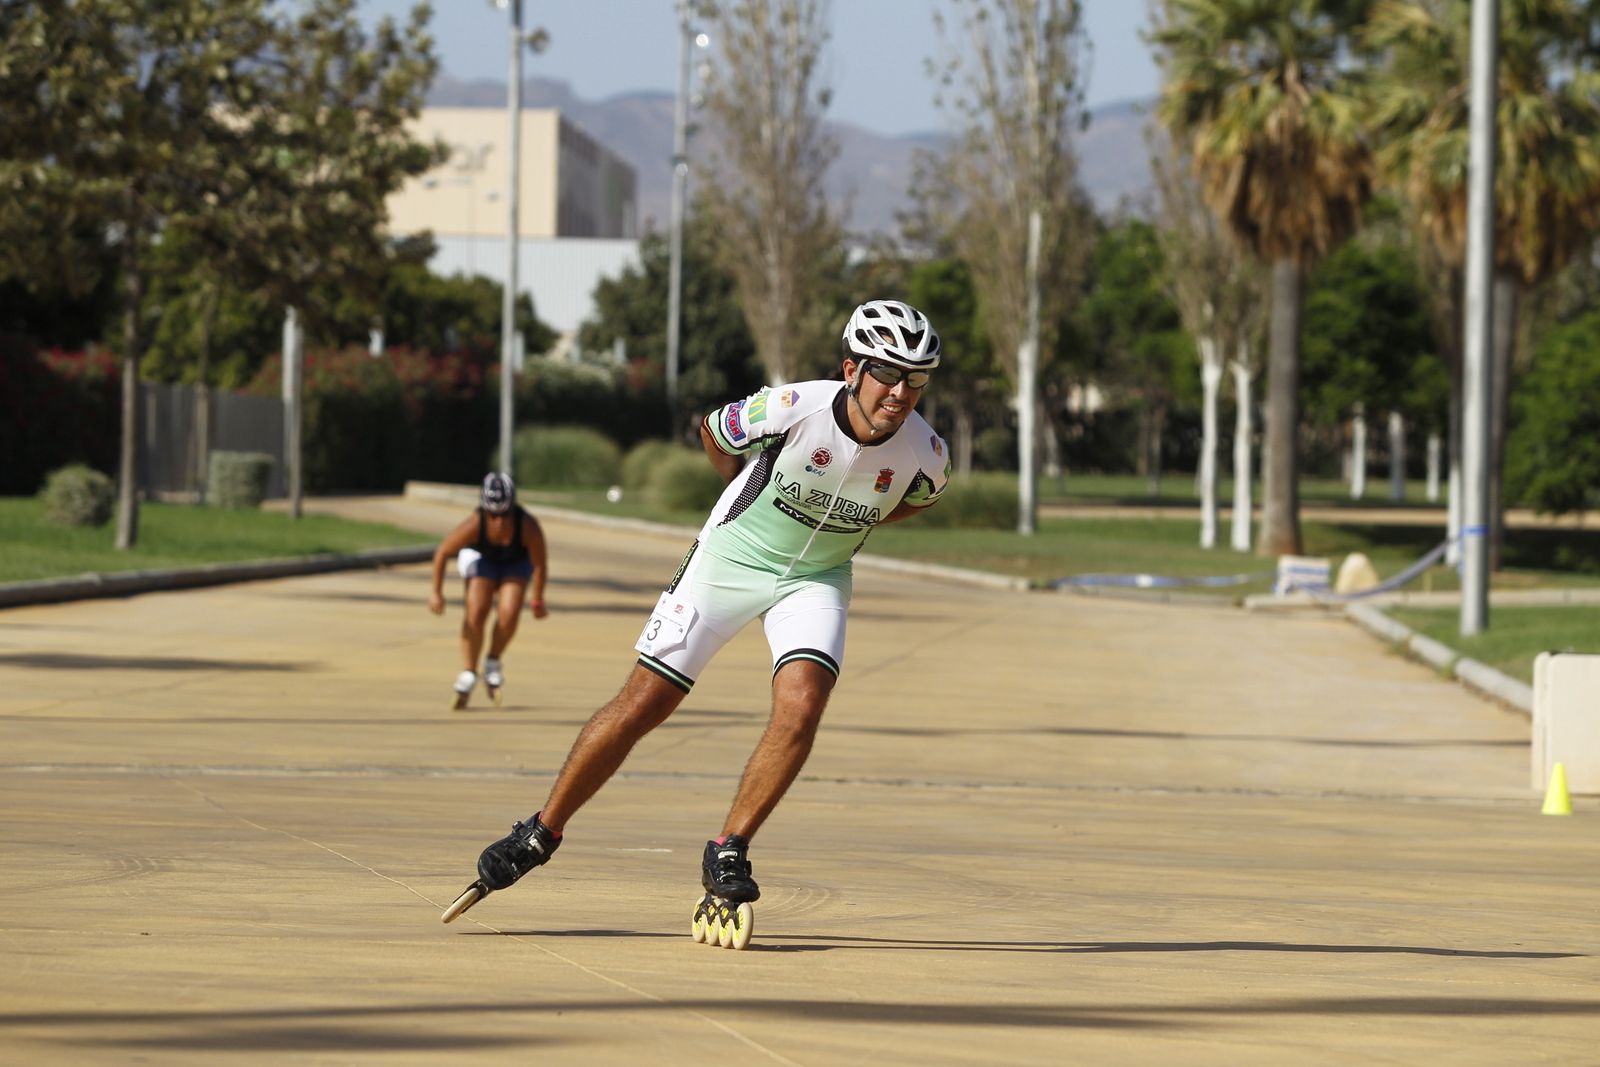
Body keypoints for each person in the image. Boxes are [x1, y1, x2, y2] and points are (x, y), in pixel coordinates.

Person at [460, 299, 951, 924]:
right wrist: (739, 486)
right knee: (645, 703)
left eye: (919, 378)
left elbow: (916, 500)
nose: (902, 392)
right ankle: (542, 830)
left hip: (816, 577)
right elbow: (715, 434)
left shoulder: (927, 451)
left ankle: (729, 849)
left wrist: (855, 522)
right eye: (889, 372)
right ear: (852, 369)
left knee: (802, 706)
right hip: (729, 559)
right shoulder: (792, 407)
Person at [429, 472, 549, 709]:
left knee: (510, 611)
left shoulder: (527, 526)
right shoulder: (476, 523)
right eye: (493, 515)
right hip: (483, 561)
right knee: (476, 611)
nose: (499, 522)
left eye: (504, 514)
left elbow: (539, 564)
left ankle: (493, 660)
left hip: (515, 563)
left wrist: (537, 600)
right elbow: (442, 552)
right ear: (485, 509)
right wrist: (436, 592)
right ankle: (469, 670)